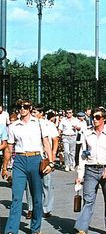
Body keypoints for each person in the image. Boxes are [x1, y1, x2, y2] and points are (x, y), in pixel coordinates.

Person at [4, 99, 54, 234]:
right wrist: (5, 167)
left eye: (25, 106)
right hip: (19, 161)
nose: (22, 109)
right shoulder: (14, 126)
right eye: (20, 107)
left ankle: (35, 228)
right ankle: (11, 230)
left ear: (30, 108)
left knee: (37, 197)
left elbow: (46, 143)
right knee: (16, 197)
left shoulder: (39, 124)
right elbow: (9, 148)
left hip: (36, 159)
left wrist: (51, 162)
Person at [74, 107, 106, 234]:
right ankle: (82, 228)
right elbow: (82, 155)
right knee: (88, 199)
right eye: (93, 117)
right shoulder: (87, 133)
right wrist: (80, 174)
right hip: (90, 170)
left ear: (104, 119)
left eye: (98, 117)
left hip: (105, 169)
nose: (94, 120)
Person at [33, 107, 59, 219]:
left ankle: (47, 208)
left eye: (35, 112)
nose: (33, 114)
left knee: (47, 183)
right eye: (32, 112)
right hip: (33, 155)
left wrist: (52, 155)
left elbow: (55, 140)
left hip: (45, 156)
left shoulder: (49, 125)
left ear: (41, 113)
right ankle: (32, 207)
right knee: (32, 184)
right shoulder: (30, 124)